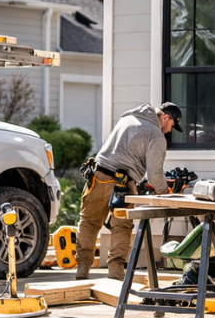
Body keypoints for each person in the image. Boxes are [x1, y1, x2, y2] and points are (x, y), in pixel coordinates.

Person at [75, 103, 181, 280]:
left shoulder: (128, 117)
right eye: (171, 126)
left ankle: (82, 271)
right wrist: (164, 192)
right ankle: (116, 274)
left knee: (88, 223)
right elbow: (155, 176)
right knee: (121, 227)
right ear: (165, 118)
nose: (169, 131)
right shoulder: (156, 135)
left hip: (97, 175)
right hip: (122, 184)